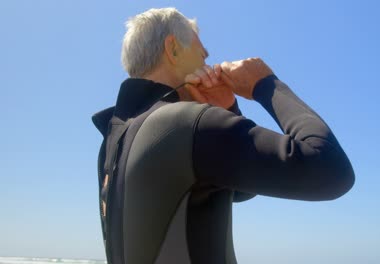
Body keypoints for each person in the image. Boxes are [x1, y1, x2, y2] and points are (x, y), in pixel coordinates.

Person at [92, 7, 355, 264]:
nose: (207, 57)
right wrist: (266, 85)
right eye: (201, 51)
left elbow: (239, 191)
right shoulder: (186, 123)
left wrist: (228, 109)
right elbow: (330, 171)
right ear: (172, 49)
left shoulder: (114, 140)